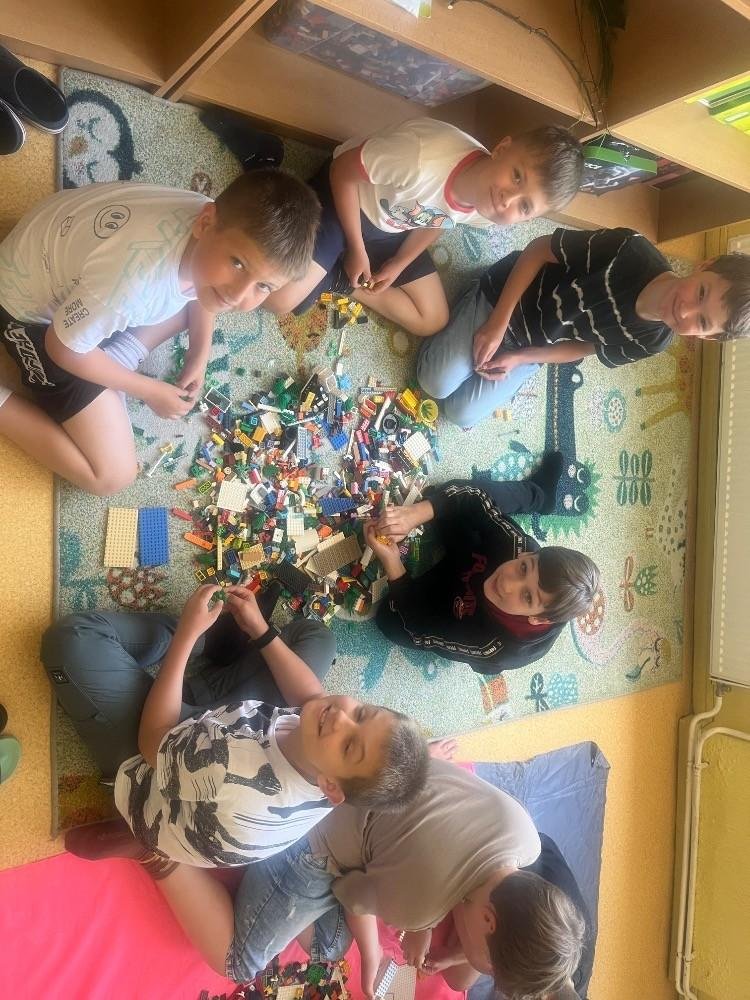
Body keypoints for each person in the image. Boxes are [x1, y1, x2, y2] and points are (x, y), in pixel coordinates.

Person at [49, 583, 429, 996]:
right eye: (363, 712)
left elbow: (153, 740)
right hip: (214, 736)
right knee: (316, 638)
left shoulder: (231, 766)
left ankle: (196, 647)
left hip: (153, 763)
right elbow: (312, 697)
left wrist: (187, 637)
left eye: (349, 745)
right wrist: (261, 631)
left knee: (72, 641)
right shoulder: (323, 764)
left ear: (331, 787)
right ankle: (208, 667)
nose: (341, 717)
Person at [0, 170, 321, 494]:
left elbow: (203, 293)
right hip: (24, 313)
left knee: (207, 293)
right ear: (205, 223)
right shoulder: (130, 289)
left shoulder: (211, 217)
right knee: (112, 476)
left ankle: (112, 358)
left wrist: (199, 353)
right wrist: (148, 390)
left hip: (65, 248)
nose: (239, 295)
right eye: (238, 263)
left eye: (263, 286)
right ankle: (99, 367)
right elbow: (61, 348)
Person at [220, 758, 585, 1000]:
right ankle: (182, 862)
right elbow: (349, 890)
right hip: (316, 826)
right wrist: (374, 953)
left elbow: (450, 841)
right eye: (488, 966)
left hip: (383, 766)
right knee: (241, 964)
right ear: (488, 920)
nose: (482, 971)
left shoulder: (527, 839)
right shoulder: (419, 907)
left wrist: (423, 925)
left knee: (333, 944)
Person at [260, 118, 584, 337]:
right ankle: (338, 261)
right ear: (501, 149)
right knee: (278, 300)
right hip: (347, 199)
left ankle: (341, 279)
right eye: (517, 176)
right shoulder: (420, 158)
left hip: (396, 224)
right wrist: (357, 248)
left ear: (527, 219)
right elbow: (342, 171)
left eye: (524, 206)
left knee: (433, 319)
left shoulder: (491, 209)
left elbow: (442, 218)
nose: (508, 199)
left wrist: (400, 263)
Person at [417, 227, 750, 427]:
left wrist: (521, 358)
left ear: (707, 337)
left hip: (534, 346)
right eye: (701, 293)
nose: (686, 310)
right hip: (505, 300)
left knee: (460, 414)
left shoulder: (653, 341)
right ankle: (472, 297)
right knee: (434, 382)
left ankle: (504, 357)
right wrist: (497, 322)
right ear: (705, 265)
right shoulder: (628, 250)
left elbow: (587, 347)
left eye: (702, 322)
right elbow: (538, 249)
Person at [365, 453, 599, 673]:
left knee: (390, 620)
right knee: (445, 494)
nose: (507, 584)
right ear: (527, 556)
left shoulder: (495, 648)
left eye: (527, 597)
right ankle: (538, 494)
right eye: (523, 568)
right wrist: (414, 514)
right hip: (474, 558)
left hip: (464, 612)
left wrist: (392, 561)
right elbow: (474, 498)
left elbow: (418, 626)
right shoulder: (519, 546)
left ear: (537, 618)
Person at [418, 833, 595, 999]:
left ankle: (467, 905)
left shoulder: (573, 977)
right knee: (478, 960)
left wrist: (452, 957)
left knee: (459, 980)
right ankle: (467, 895)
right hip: (507, 868)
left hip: (517, 913)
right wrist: (421, 928)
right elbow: (509, 934)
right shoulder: (546, 944)